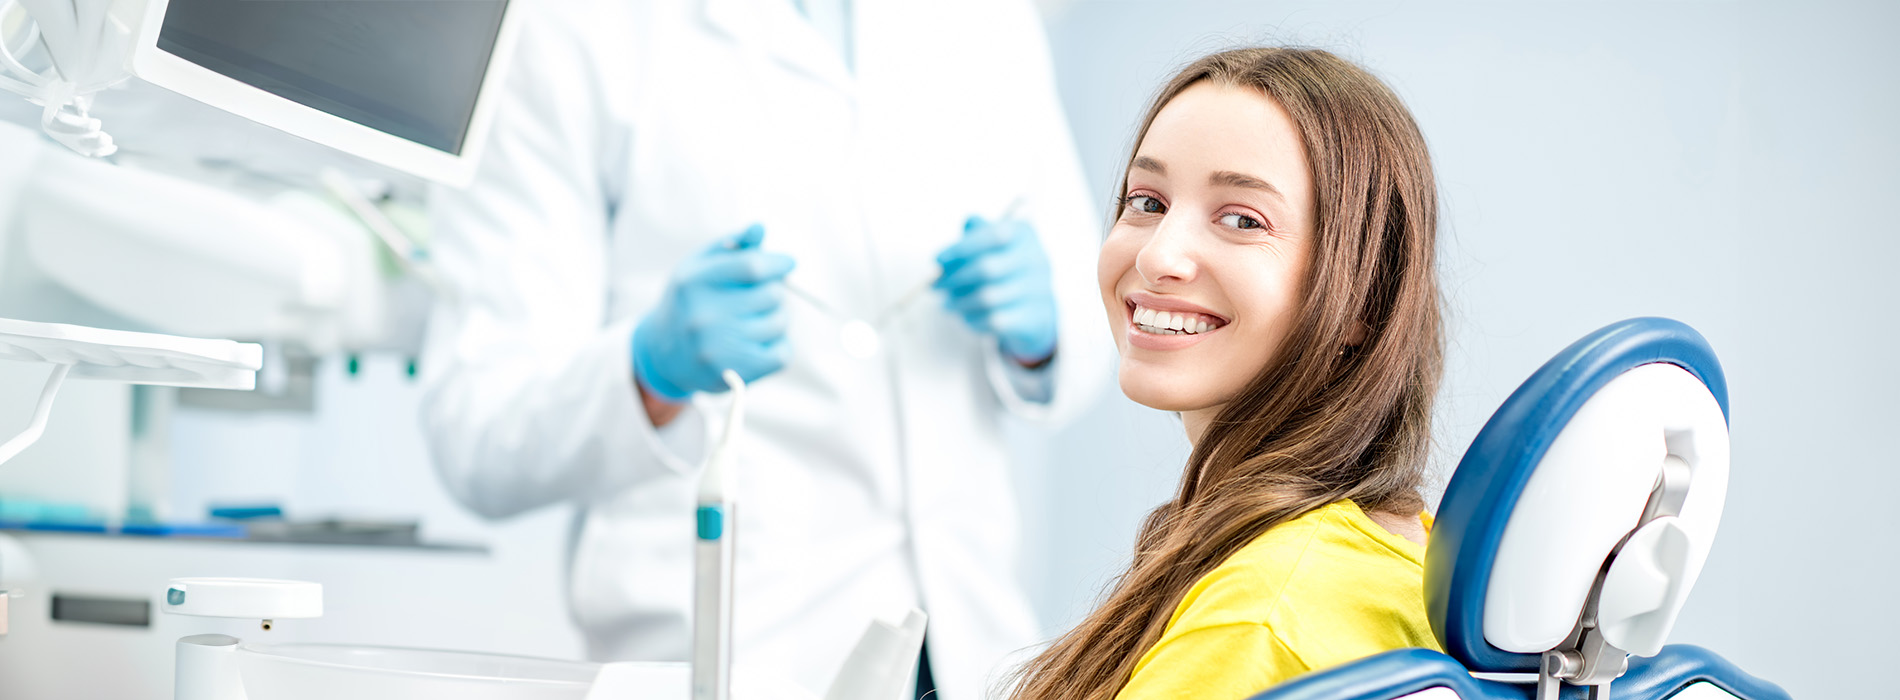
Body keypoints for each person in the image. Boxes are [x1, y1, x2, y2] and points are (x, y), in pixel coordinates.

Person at [417, 1, 1105, 699]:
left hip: (969, 641)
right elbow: (479, 428)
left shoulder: (991, 23)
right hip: (737, 648)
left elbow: (1092, 330)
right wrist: (649, 371)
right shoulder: (570, 29)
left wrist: (1043, 335)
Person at [1007, 47, 1444, 700]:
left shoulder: (1259, 620)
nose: (1158, 256)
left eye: (1243, 220)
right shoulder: (1385, 543)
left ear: (1363, 300)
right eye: (1147, 201)